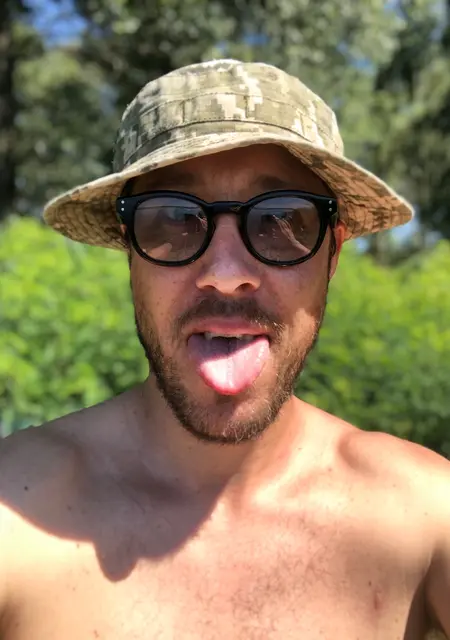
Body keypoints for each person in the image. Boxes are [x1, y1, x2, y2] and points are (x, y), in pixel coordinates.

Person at [0, 59, 448, 640]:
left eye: (281, 220)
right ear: (130, 252)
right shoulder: (15, 512)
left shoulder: (424, 515)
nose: (228, 273)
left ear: (332, 255)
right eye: (173, 220)